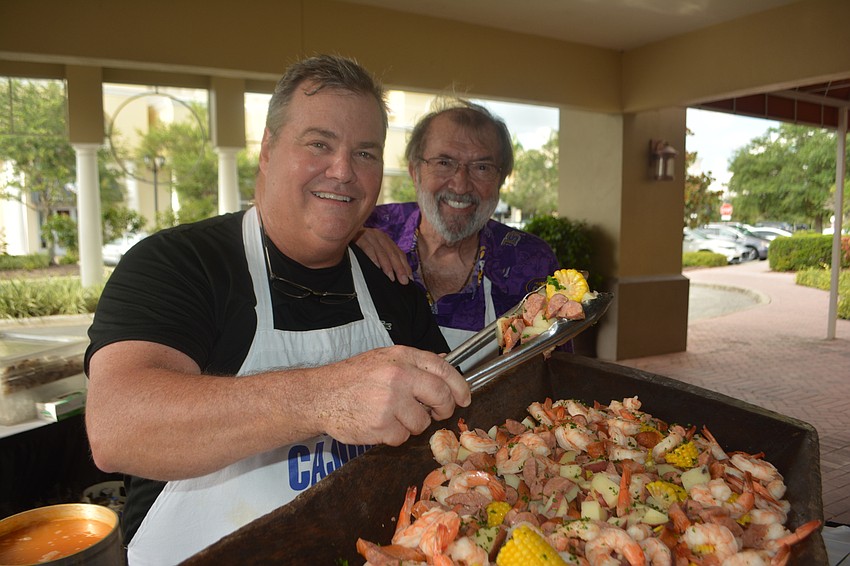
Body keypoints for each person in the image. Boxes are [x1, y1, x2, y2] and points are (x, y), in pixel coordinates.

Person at [84, 55, 470, 565]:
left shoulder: (390, 280)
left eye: (365, 153)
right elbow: (117, 427)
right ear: (268, 149)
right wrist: (325, 397)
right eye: (319, 144)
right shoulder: (180, 262)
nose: (344, 172)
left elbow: (457, 416)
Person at [358, 100, 561, 369]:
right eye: (444, 162)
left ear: (501, 180)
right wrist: (349, 236)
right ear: (415, 172)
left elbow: (554, 371)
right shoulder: (368, 228)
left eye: (482, 167)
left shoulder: (530, 261)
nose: (461, 184)